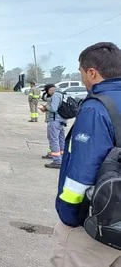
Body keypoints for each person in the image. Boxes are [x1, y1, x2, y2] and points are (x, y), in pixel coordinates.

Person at [51, 42, 121, 266]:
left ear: (92, 72)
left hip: (96, 223)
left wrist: (69, 216)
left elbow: (82, 171)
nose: (82, 79)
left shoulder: (95, 108)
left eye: (82, 73)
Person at [39, 84, 66, 169]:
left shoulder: (56, 95)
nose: (48, 94)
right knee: (61, 140)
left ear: (50, 90)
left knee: (54, 140)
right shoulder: (63, 94)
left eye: (48, 92)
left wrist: (46, 107)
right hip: (62, 121)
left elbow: (54, 109)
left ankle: (57, 161)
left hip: (55, 121)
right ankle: (62, 158)